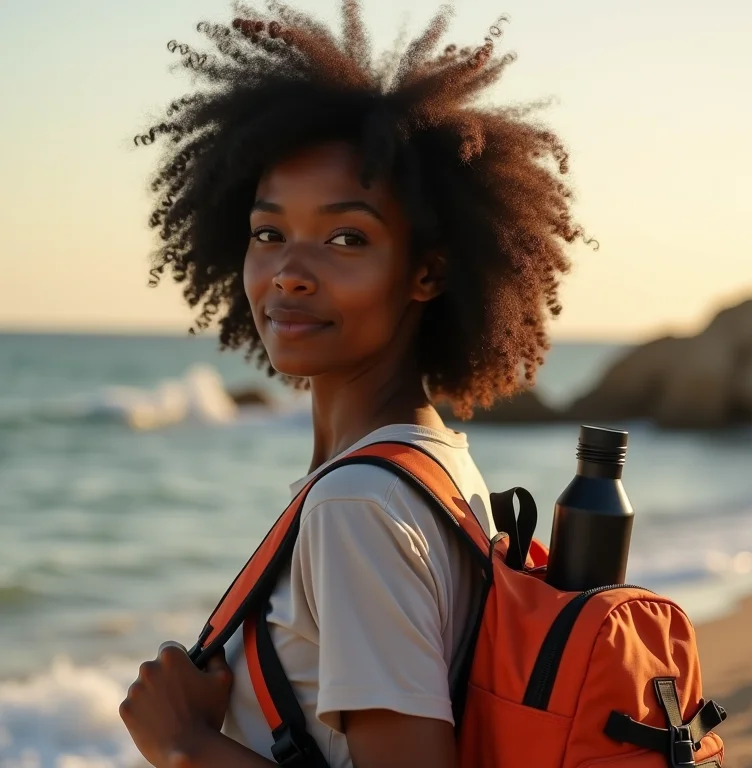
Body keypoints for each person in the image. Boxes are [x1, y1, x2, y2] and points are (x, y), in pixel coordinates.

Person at [119, 2, 592, 766]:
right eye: (269, 233)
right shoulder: (435, 465)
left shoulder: (358, 506)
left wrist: (184, 746)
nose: (290, 274)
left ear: (428, 272)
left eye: (346, 238)